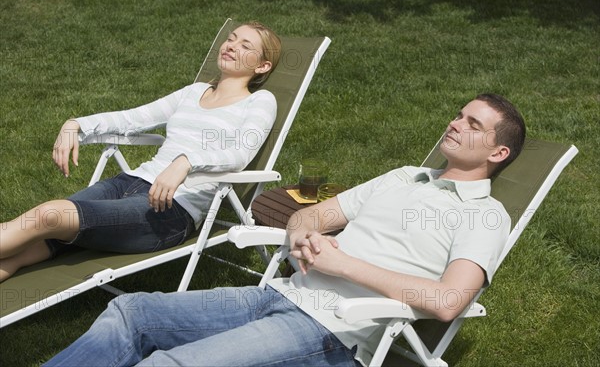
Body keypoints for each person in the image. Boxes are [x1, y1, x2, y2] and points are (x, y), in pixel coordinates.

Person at [44, 94, 526, 367]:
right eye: (459, 114)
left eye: (473, 124)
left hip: (331, 330)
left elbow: (448, 302)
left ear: (497, 153)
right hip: (278, 293)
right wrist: (300, 233)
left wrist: (343, 264)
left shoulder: (485, 216)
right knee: (131, 312)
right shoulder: (404, 175)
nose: (455, 123)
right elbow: (314, 214)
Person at [0, 22, 282, 282]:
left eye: (246, 46)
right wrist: (76, 124)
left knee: (50, 215)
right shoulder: (194, 91)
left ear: (262, 66)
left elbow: (240, 154)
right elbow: (133, 118)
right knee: (30, 240)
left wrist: (186, 162)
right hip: (130, 182)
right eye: (231, 39)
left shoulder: (260, 101)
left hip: (171, 209)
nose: (232, 45)